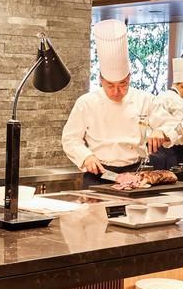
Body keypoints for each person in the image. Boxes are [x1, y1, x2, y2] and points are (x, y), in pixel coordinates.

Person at [62, 20, 168, 188]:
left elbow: (173, 125)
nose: (116, 91)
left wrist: (161, 131)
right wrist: (85, 157)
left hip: (135, 175)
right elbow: (70, 139)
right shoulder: (86, 103)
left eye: (122, 84)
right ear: (101, 80)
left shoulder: (145, 99)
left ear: (129, 78)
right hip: (98, 174)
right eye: (110, 85)